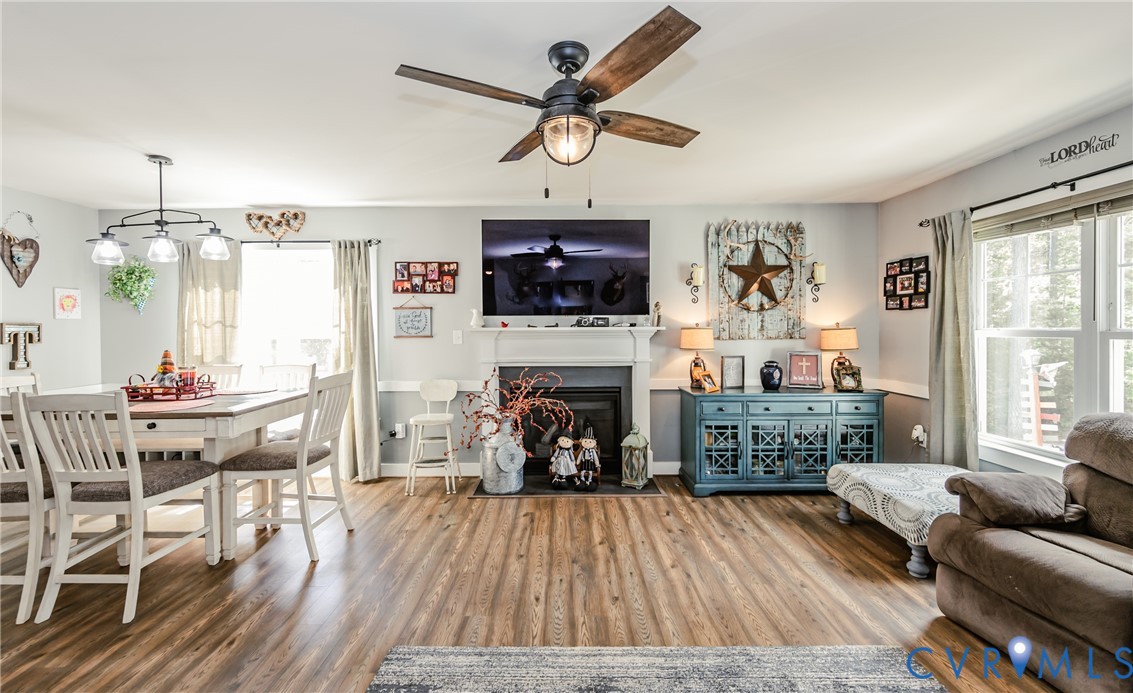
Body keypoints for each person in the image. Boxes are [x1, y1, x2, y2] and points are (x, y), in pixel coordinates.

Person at [574, 424, 601, 492]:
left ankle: (589, 480)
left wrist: (597, 464)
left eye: (590, 442)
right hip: (584, 462)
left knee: (590, 472)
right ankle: (582, 480)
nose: (587, 443)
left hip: (590, 463)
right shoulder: (583, 450)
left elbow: (595, 458)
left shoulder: (593, 451)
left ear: (593, 443)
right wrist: (577, 462)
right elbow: (580, 456)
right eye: (585, 441)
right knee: (582, 472)